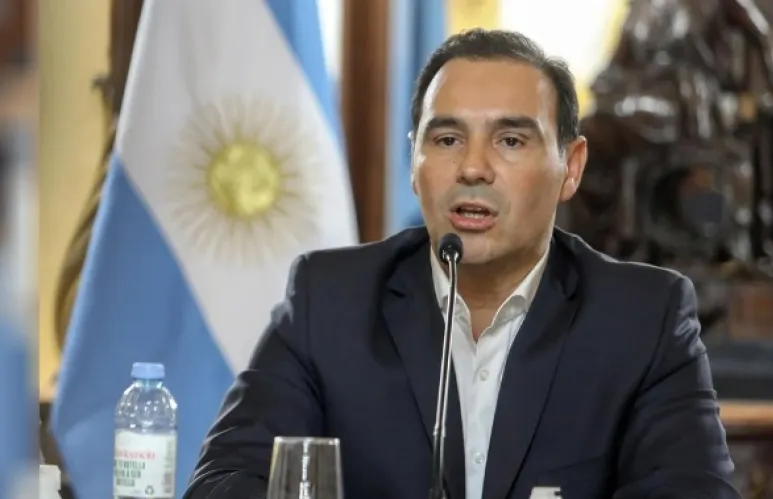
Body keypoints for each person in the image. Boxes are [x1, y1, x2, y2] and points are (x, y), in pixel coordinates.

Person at [183, 29, 737, 499]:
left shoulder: (642, 319)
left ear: (571, 167)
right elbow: (223, 482)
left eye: (511, 141)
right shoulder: (329, 301)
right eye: (447, 139)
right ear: (414, 161)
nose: (472, 168)